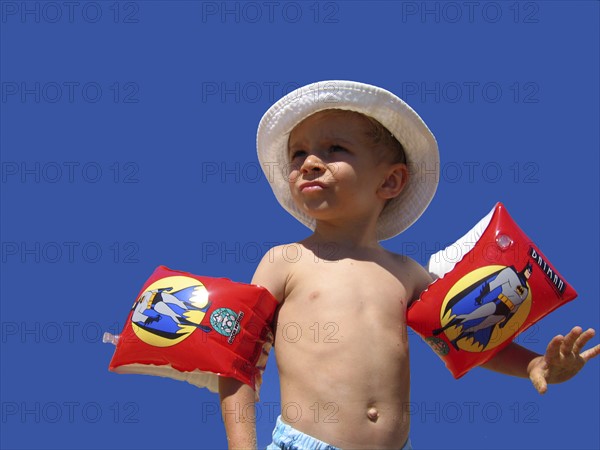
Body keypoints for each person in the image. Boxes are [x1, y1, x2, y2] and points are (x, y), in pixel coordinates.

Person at [218, 80, 600, 450]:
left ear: (391, 181)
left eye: (334, 148)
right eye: (297, 154)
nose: (310, 163)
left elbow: (466, 337)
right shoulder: (286, 261)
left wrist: (535, 364)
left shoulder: (407, 273)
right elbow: (239, 358)